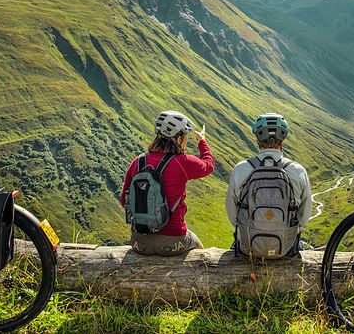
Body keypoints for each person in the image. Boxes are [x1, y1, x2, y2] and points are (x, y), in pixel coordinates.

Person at [120, 110, 214, 256]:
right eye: (185, 137)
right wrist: (202, 141)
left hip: (139, 242)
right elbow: (208, 166)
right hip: (174, 240)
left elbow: (124, 201)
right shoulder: (183, 162)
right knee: (200, 250)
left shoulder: (138, 162)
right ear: (178, 138)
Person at [225, 113, 312, 258]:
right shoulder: (298, 171)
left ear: (258, 140)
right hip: (286, 249)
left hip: (248, 248)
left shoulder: (241, 169)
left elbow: (232, 212)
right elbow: (304, 217)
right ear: (282, 140)